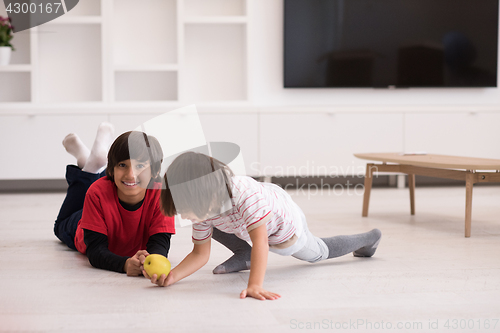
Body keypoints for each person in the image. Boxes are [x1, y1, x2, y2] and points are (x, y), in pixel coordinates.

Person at [143, 151, 382, 300]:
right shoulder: (204, 206)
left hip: (285, 230)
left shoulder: (245, 196)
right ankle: (242, 251)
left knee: (319, 252)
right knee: (208, 226)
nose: (185, 215)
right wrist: (173, 277)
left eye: (186, 208)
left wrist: (255, 285)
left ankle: (370, 237)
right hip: (253, 213)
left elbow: (262, 242)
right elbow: (200, 253)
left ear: (204, 194)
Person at [54, 123, 176, 276]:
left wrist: (147, 262)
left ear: (155, 170)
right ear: (110, 170)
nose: (131, 174)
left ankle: (88, 161)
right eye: (123, 165)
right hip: (84, 221)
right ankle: (90, 166)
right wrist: (124, 265)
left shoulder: (163, 195)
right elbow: (96, 250)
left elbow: (160, 243)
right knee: (60, 226)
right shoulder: (97, 192)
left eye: (140, 165)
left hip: (106, 207)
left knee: (101, 187)